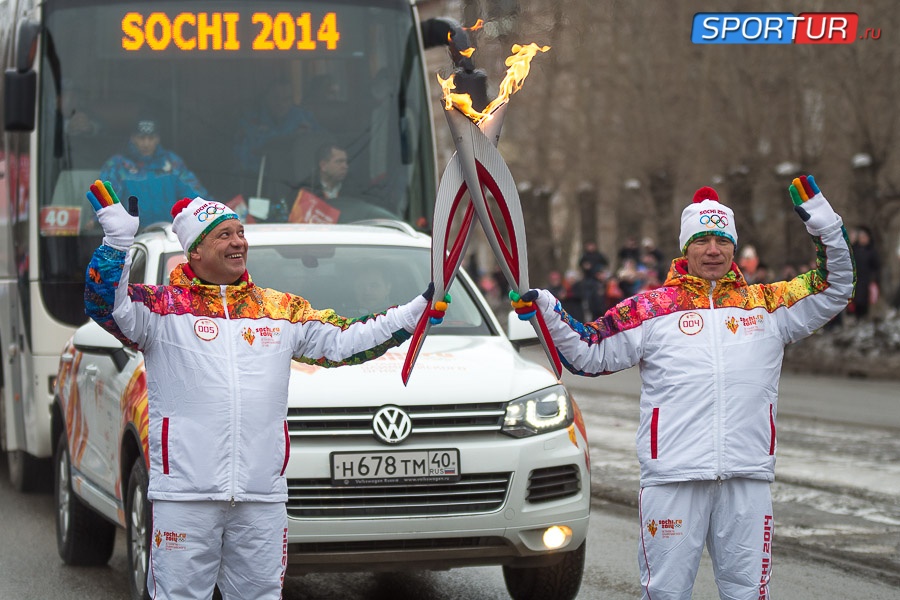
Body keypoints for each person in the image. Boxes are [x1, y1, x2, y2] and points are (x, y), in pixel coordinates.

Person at [83, 182, 447, 600]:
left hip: (261, 498)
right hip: (184, 497)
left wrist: (414, 313)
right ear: (195, 251)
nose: (238, 241)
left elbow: (347, 340)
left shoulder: (278, 310)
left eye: (240, 232)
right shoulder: (161, 309)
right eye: (224, 234)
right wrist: (116, 243)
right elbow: (102, 306)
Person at [512, 176, 853, 600]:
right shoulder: (651, 308)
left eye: (722, 240)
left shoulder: (767, 305)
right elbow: (587, 352)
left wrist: (824, 222)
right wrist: (547, 309)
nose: (713, 250)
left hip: (746, 477)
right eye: (702, 240)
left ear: (733, 248)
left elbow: (835, 285)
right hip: (672, 478)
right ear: (685, 248)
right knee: (666, 594)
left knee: (748, 593)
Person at [100, 117, 211, 228]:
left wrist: (211, 211)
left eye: (151, 138)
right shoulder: (118, 165)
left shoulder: (172, 163)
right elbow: (107, 202)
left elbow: (195, 194)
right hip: (132, 236)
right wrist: (97, 220)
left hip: (170, 233)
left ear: (158, 139)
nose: (146, 143)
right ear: (133, 138)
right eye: (141, 138)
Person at [234, 81, 323, 173]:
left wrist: (309, 137)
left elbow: (322, 139)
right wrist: (292, 137)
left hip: (297, 176)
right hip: (261, 177)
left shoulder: (303, 117)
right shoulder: (252, 120)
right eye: (276, 98)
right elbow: (247, 155)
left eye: (286, 99)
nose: (281, 103)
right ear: (266, 98)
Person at [850, 225, 881, 320]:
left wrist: (873, 279)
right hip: (856, 280)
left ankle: (865, 319)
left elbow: (876, 267)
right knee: (855, 303)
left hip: (867, 281)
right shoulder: (854, 249)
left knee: (865, 302)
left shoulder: (871, 251)